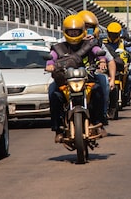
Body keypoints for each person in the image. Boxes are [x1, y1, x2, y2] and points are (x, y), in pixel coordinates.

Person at [46, 14, 109, 142]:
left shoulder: (89, 44)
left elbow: (98, 52)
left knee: (98, 90)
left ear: (82, 31)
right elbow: (51, 58)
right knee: (53, 93)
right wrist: (50, 66)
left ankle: (99, 123)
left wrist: (102, 60)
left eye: (76, 31)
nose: (74, 34)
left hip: (87, 79)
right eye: (71, 32)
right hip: (65, 81)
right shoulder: (58, 47)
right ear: (65, 32)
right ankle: (57, 129)